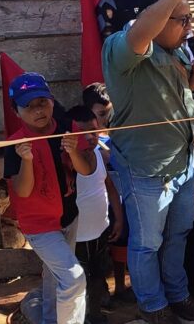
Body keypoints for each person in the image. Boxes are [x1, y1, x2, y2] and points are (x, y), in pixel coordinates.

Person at [101, 0, 194, 323]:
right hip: (145, 167)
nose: (188, 26)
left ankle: (177, 295)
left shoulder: (178, 48)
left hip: (181, 162)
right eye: (181, 19)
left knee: (178, 235)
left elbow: (182, 95)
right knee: (147, 243)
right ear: (158, 16)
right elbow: (141, 34)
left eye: (189, 18)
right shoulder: (123, 46)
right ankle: (152, 305)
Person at [4, 72, 97, 324]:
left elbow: (88, 168)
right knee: (73, 277)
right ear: (16, 112)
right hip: (39, 226)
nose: (38, 111)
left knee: (55, 277)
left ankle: (47, 317)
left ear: (52, 102)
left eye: (42, 102)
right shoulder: (15, 144)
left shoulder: (68, 128)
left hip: (69, 217)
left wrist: (74, 151)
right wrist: (26, 160)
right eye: (29, 106)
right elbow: (22, 191)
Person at [68, 105, 125, 324]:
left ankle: (95, 315)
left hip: (101, 232)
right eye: (84, 133)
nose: (92, 138)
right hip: (76, 239)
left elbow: (109, 186)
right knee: (77, 283)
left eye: (94, 131)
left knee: (98, 274)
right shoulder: (68, 164)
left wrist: (118, 218)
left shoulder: (99, 155)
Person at [81, 83, 131, 303]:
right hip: (96, 207)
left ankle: (120, 287)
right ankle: (98, 294)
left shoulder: (119, 135)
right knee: (97, 253)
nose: (106, 118)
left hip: (121, 202)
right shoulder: (86, 140)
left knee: (121, 243)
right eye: (101, 114)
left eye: (109, 112)